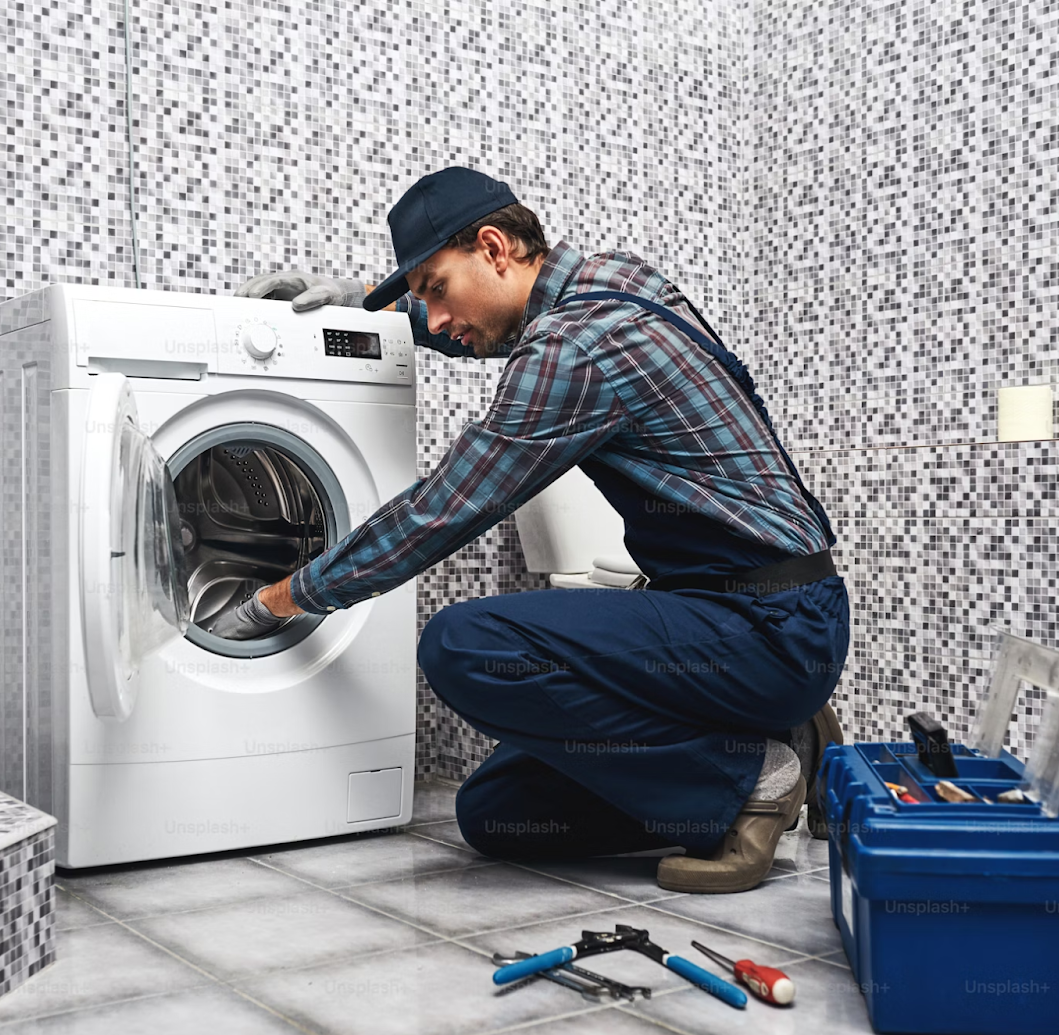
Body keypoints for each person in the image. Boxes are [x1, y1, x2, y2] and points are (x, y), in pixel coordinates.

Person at [224, 166, 850, 892]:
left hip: (766, 626)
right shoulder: (614, 279)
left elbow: (443, 510)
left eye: (433, 288)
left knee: (465, 644)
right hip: (758, 615)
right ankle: (768, 738)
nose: (434, 319)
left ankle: (753, 774)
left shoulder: (573, 349)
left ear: (494, 248)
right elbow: (482, 328)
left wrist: (285, 597)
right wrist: (368, 306)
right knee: (498, 814)